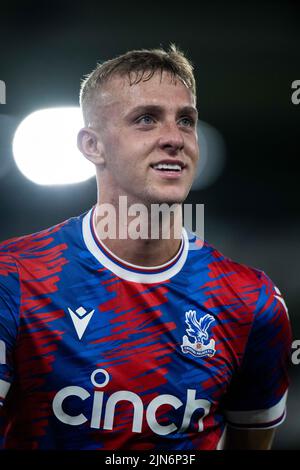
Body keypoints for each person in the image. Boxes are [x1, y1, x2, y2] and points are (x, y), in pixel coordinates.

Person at [0, 45, 291, 450]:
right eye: (146, 119)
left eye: (186, 121)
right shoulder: (14, 279)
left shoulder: (251, 303)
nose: (174, 138)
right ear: (92, 146)